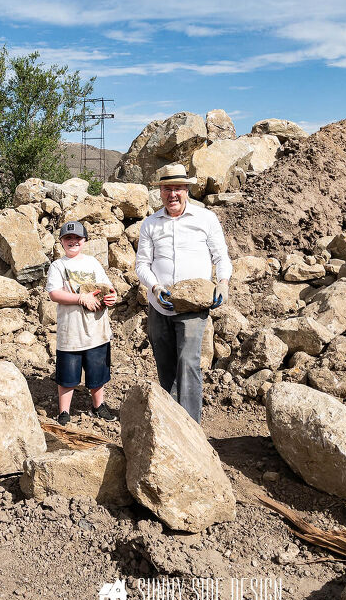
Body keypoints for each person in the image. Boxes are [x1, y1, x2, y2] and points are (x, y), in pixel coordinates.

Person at [135, 163, 232, 424]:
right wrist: (155, 287)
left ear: (187, 190)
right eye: (167, 188)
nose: (172, 194)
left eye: (178, 188)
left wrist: (222, 282)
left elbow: (221, 256)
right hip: (160, 306)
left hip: (192, 307)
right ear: (160, 192)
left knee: (188, 364)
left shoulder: (206, 219)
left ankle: (191, 429)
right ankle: (170, 425)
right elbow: (142, 264)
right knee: (165, 364)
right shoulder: (151, 224)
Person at [46, 220, 117, 426]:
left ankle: (98, 406)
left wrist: (111, 297)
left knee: (97, 372)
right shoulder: (58, 266)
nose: (73, 241)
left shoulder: (93, 263)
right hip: (71, 331)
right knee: (67, 374)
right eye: (68, 238)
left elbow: (108, 288)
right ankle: (64, 412)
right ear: (61, 241)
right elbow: (54, 293)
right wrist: (80, 298)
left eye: (77, 238)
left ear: (84, 241)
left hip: (96, 329)